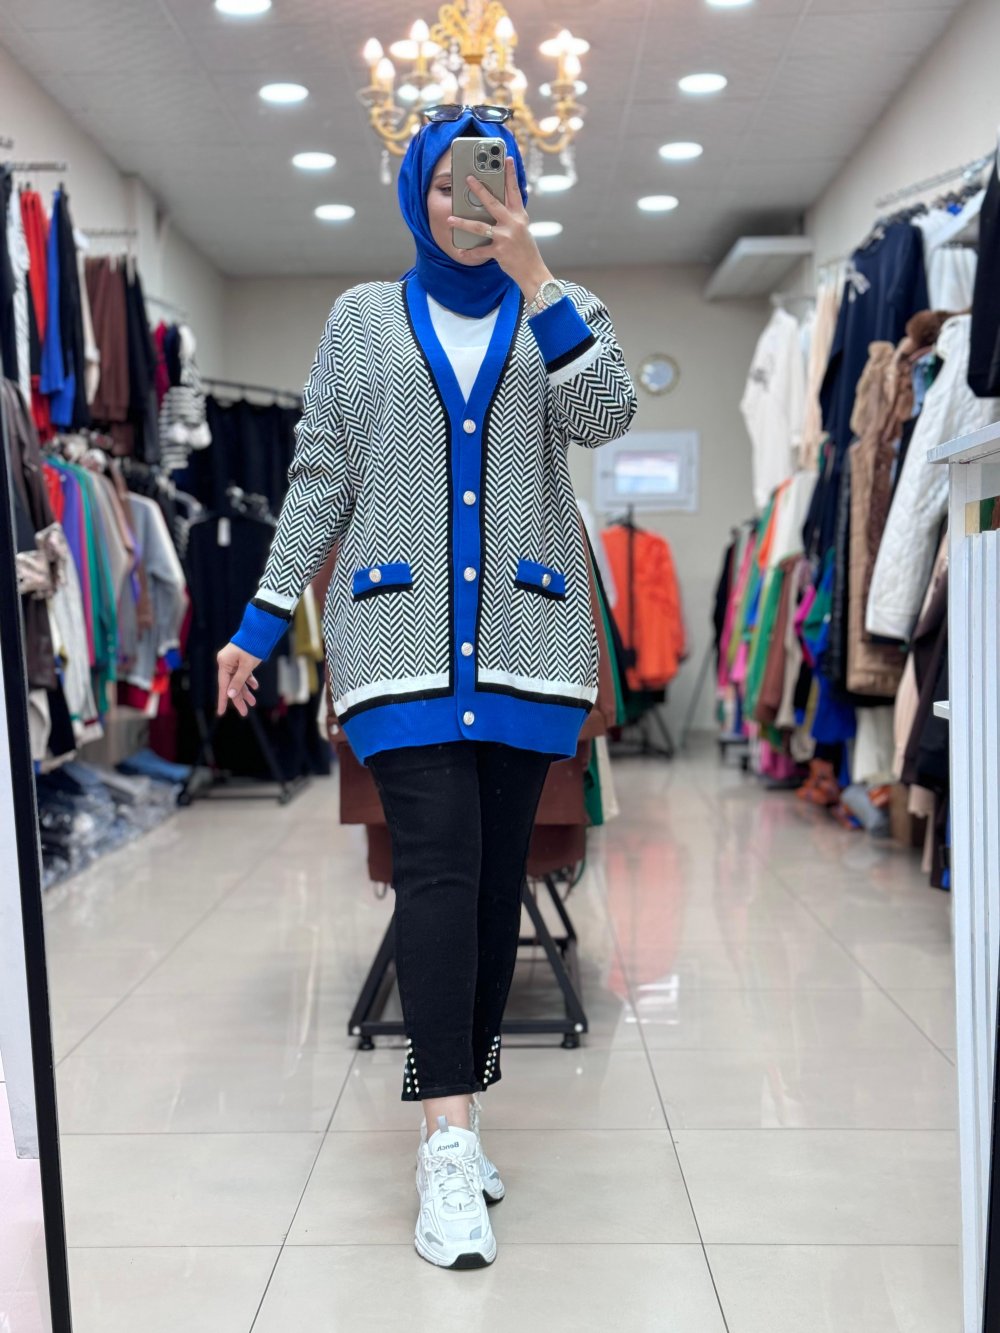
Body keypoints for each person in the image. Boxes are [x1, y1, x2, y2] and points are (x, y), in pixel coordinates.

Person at [215, 105, 637, 1269]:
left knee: (494, 893)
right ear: (416, 193)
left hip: (527, 644)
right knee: (439, 878)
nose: (468, 203)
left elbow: (604, 415)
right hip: (394, 644)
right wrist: (259, 619)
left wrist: (534, 276)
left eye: (491, 181)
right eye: (448, 184)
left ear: (518, 191)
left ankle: (462, 1110)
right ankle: (445, 1139)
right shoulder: (360, 320)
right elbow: (321, 477)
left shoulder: (564, 306)